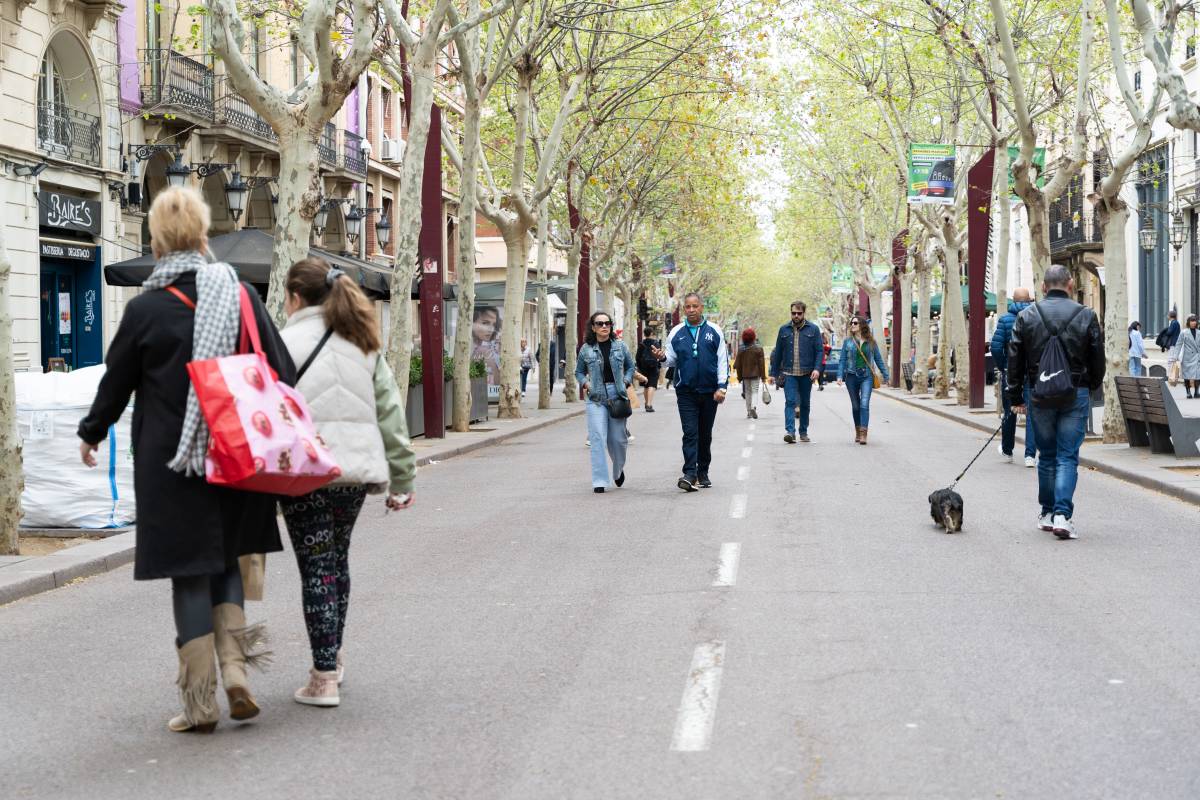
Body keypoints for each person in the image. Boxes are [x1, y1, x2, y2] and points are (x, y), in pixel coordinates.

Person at [77, 187, 295, 734]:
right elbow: (283, 374)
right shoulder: (242, 295)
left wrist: (91, 433)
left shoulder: (146, 309)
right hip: (238, 458)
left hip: (174, 464)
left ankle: (200, 706)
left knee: (190, 575)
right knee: (228, 564)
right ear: (203, 237)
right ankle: (237, 673)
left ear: (157, 242)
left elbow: (117, 384)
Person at [279, 257, 417, 707]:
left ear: (296, 296)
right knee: (337, 560)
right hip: (354, 473)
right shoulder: (364, 341)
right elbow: (391, 414)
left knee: (316, 568)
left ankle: (323, 676)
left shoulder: (283, 342)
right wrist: (403, 478)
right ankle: (332, 659)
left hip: (305, 472)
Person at [1009, 264, 1105, 540]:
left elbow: (1015, 358)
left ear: (1043, 287)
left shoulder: (1027, 316)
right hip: (1076, 391)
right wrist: (1091, 385)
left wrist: (1016, 396)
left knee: (1047, 456)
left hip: (1039, 394)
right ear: (1071, 284)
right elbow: (1097, 358)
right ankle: (1063, 515)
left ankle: (1048, 512)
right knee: (1067, 456)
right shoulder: (1086, 315)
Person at [653, 293, 729, 491]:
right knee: (690, 432)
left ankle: (703, 471)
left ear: (701, 307)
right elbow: (671, 359)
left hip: (710, 391)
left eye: (695, 306)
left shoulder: (715, 331)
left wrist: (722, 387)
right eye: (688, 306)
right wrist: (662, 357)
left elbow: (722, 360)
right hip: (685, 391)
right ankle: (689, 473)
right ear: (684, 309)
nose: (692, 309)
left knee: (705, 433)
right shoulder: (676, 332)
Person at [575, 311, 635, 492]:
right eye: (599, 324)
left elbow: (631, 366)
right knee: (597, 438)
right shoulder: (586, 349)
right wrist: (586, 384)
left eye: (607, 323)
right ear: (593, 327)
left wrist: (625, 381)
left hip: (617, 395)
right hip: (596, 398)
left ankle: (618, 471)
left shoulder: (620, 346)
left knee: (618, 440)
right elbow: (578, 372)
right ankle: (600, 481)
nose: (604, 327)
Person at [991, 287, 1038, 467]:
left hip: (1011, 374)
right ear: (1029, 300)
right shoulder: (1036, 318)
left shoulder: (1004, 320)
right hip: (1032, 374)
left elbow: (995, 347)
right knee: (1032, 414)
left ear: (1013, 300)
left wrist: (1005, 365)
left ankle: (1008, 450)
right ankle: (1030, 456)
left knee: (1010, 411)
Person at [769, 300, 823, 443]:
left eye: (799, 313)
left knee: (805, 403)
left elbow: (819, 351)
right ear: (791, 313)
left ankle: (803, 432)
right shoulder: (784, 330)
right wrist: (773, 374)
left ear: (804, 313)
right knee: (790, 402)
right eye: (794, 313)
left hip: (807, 373)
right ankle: (790, 432)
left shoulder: (813, 329)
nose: (796, 316)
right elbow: (778, 352)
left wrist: (817, 369)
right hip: (789, 373)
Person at [836, 315, 890, 444]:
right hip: (851, 376)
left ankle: (864, 434)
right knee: (856, 406)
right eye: (851, 323)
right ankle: (858, 431)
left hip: (866, 376)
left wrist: (886, 375)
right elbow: (842, 360)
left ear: (862, 325)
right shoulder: (848, 342)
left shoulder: (871, 342)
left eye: (855, 323)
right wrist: (839, 376)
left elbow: (878, 359)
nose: (852, 325)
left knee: (864, 404)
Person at [733, 328, 766, 419]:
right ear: (753, 337)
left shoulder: (741, 349)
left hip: (745, 374)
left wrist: (739, 377)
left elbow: (738, 365)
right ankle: (753, 407)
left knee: (747, 392)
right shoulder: (758, 348)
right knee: (755, 391)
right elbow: (762, 364)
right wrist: (763, 377)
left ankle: (748, 412)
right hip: (756, 374)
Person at [471, 306, 502, 395]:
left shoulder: (486, 349)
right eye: (485, 323)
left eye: (493, 325)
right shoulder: (480, 350)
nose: (491, 329)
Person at [636, 332, 662, 411]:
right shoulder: (655, 343)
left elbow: (637, 357)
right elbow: (659, 355)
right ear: (651, 333)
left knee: (646, 385)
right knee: (652, 385)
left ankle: (646, 402)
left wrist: (639, 367)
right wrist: (659, 365)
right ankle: (649, 404)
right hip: (653, 366)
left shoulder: (641, 344)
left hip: (643, 367)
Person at [1158, 310, 1181, 385]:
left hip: (1174, 343)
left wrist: (1165, 331)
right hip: (1174, 343)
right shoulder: (1175, 322)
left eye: (1168, 315)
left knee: (1171, 360)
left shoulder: (1174, 323)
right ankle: (1171, 376)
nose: (1167, 316)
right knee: (1172, 360)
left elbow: (1169, 332)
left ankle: (1170, 376)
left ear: (1170, 316)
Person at [1180, 315, 1200, 398]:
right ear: (1188, 322)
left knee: (1198, 375)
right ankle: (1188, 392)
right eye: (1191, 321)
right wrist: (1175, 357)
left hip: (1197, 356)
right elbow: (1178, 344)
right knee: (1187, 375)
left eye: (1194, 321)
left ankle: (1196, 392)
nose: (1193, 322)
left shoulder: (1199, 332)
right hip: (1187, 357)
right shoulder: (1184, 332)